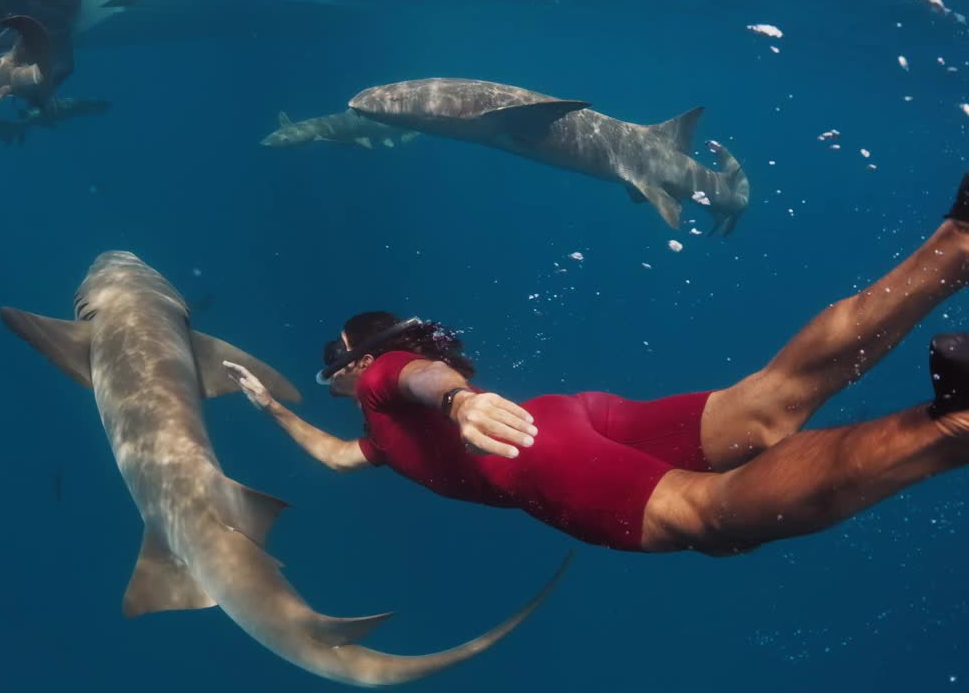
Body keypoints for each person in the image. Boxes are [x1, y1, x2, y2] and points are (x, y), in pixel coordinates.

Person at [224, 173, 969, 556]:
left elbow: (417, 377)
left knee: (710, 516)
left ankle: (958, 424)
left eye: (334, 362)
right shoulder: (378, 437)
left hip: (528, 454)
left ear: (357, 362)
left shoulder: (383, 386)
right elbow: (335, 456)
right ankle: (957, 241)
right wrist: (269, 406)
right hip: (574, 416)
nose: (335, 373)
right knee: (768, 400)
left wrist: (459, 403)